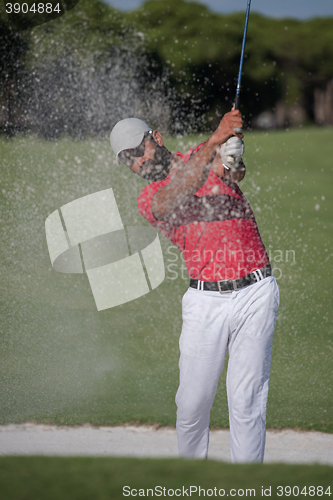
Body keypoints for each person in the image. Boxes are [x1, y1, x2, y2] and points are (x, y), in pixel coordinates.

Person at [110, 111, 279, 463]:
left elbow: (231, 172)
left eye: (138, 151)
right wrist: (216, 141)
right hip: (206, 301)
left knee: (246, 401)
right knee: (191, 405)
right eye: (129, 161)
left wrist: (232, 156)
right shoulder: (150, 199)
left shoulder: (202, 156)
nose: (138, 163)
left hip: (255, 292)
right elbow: (181, 188)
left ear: (154, 137)